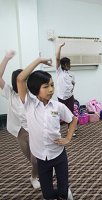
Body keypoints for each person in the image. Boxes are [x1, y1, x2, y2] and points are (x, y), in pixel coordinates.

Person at [17, 57, 77, 199]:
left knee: (62, 193)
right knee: (48, 195)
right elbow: (20, 79)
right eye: (46, 86)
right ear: (35, 89)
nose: (51, 90)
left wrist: (68, 138)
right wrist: (38, 61)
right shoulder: (29, 104)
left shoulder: (58, 106)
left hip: (58, 155)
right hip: (41, 157)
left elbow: (73, 120)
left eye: (52, 85)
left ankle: (65, 192)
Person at [0, 50, 40, 189]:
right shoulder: (10, 93)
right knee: (31, 158)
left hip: (34, 130)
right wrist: (6, 58)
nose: (25, 82)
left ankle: (34, 177)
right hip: (20, 132)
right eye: (22, 80)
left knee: (35, 159)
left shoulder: (32, 95)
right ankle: (40, 169)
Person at [56, 42, 77, 135]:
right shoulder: (59, 71)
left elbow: (73, 84)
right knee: (60, 114)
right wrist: (60, 47)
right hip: (61, 97)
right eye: (68, 63)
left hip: (70, 97)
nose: (70, 65)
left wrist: (71, 91)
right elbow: (57, 58)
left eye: (70, 63)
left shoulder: (71, 74)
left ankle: (70, 130)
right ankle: (55, 130)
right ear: (63, 65)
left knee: (70, 113)